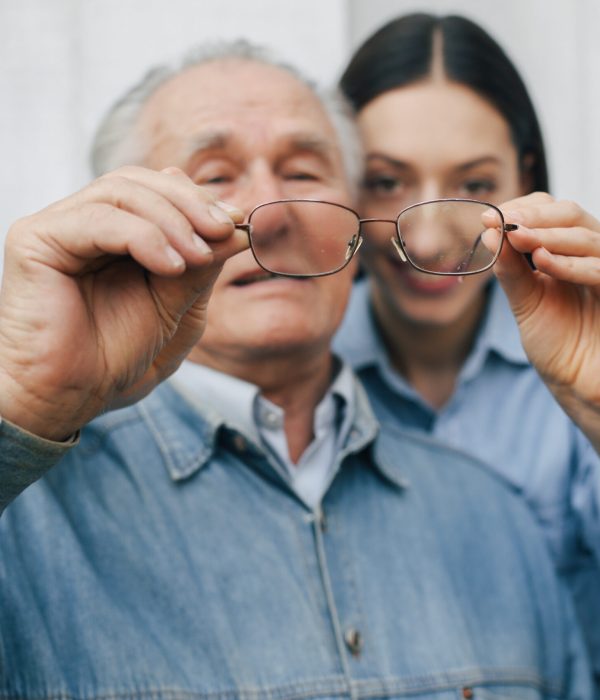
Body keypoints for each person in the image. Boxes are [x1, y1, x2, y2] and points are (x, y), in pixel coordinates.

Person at [0, 41, 596, 698]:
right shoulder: (25, 516)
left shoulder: (496, 515)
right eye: (216, 175)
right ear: (119, 228)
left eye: (306, 174)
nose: (275, 214)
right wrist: (21, 402)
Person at [335, 11, 600, 689]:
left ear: (527, 176)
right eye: (388, 181)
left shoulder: (581, 366)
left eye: (476, 187)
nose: (425, 242)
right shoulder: (296, 373)